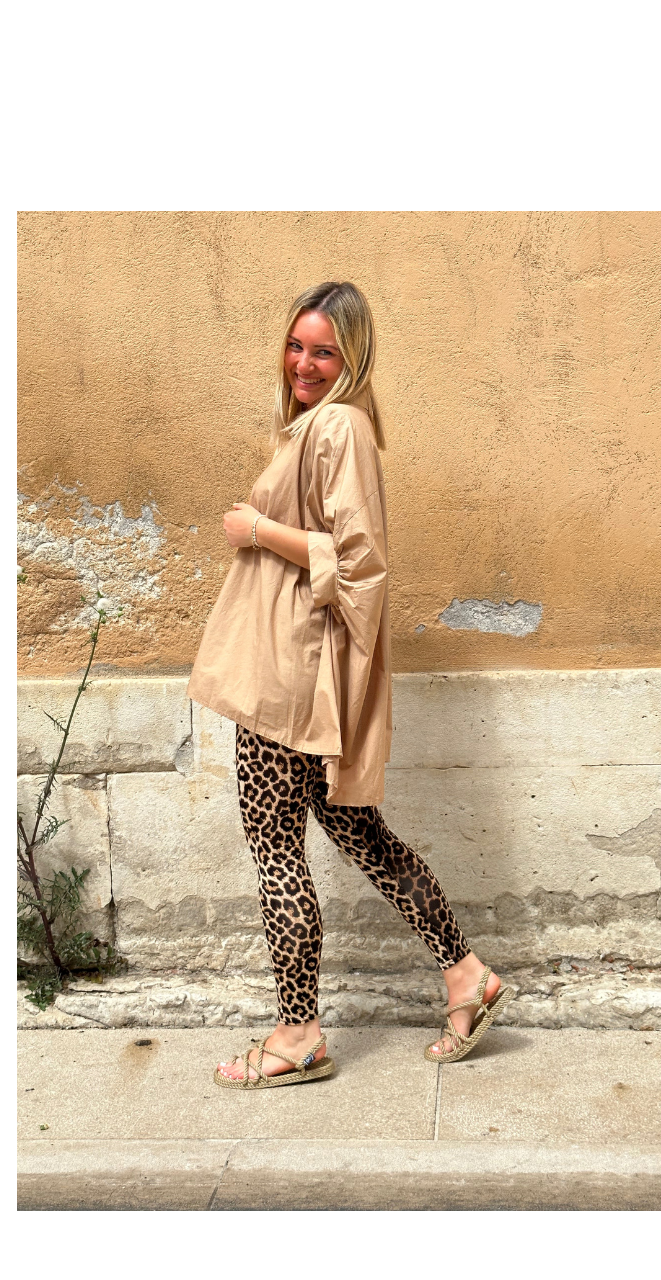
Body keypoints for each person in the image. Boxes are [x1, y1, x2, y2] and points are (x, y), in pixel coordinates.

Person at [187, 281, 509, 1089]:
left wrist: (256, 529)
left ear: (352, 357)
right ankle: (466, 974)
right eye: (296, 346)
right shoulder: (327, 423)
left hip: (288, 672)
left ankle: (298, 1033)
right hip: (299, 666)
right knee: (362, 833)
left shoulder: (338, 425)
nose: (303, 363)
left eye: (323, 352)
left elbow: (358, 561)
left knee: (275, 850)